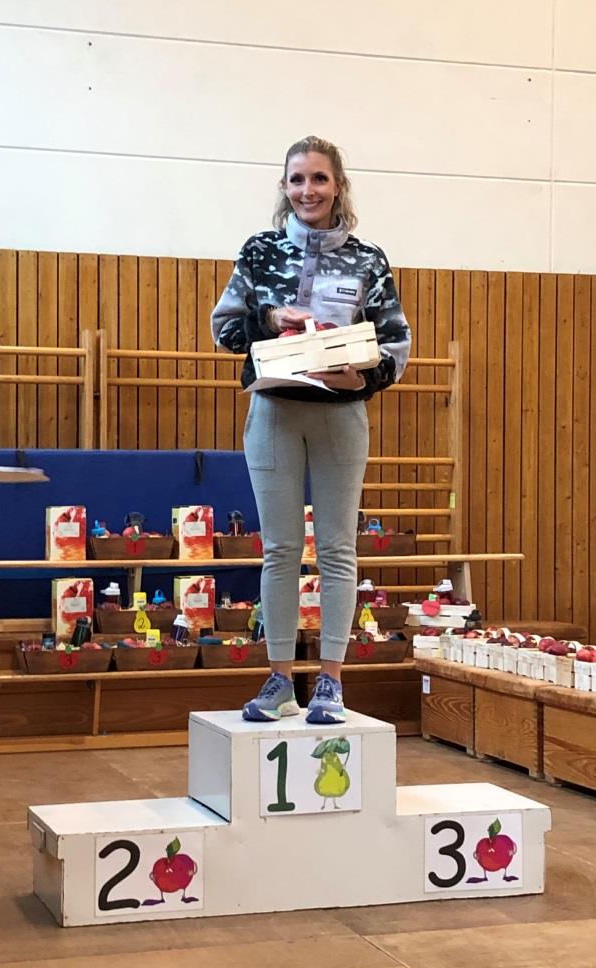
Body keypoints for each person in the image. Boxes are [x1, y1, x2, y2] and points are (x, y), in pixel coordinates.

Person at [211, 135, 411, 724]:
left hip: (340, 416)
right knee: (279, 550)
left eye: (319, 178)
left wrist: (361, 377)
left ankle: (330, 682)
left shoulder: (368, 259)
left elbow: (394, 345)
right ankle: (278, 680)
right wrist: (270, 316)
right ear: (284, 186)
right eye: (297, 179)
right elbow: (225, 330)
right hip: (274, 414)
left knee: (337, 550)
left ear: (338, 185)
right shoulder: (259, 251)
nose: (308, 190)